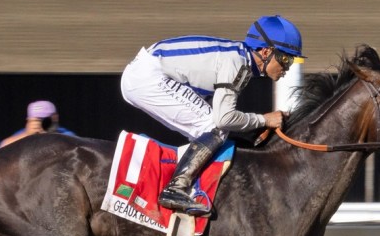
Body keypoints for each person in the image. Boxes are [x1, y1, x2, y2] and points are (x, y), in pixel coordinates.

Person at [120, 14, 304, 216]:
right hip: (147, 77)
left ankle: (191, 185)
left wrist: (256, 127)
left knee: (213, 130)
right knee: (214, 126)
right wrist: (264, 119)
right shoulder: (238, 64)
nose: (287, 67)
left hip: (145, 73)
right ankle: (175, 189)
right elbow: (223, 119)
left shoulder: (239, 57)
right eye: (285, 58)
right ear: (266, 51)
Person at [0, 100, 76, 147]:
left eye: (46, 119)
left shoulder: (66, 134)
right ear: (29, 120)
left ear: (55, 118)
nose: (43, 123)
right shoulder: (23, 134)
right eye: (38, 120)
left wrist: (50, 135)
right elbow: (2, 148)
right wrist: (26, 135)